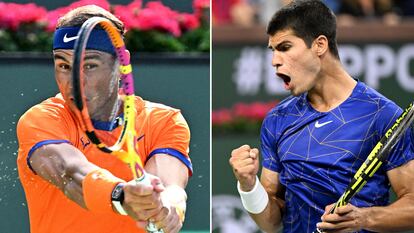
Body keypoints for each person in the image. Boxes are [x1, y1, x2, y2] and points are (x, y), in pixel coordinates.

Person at [229, 0, 414, 232]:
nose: (275, 61)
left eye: (285, 47)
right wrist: (248, 186)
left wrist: (364, 218)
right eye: (273, 50)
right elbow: (271, 222)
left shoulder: (382, 114)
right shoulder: (277, 120)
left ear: (319, 45)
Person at [16, 5, 191, 233]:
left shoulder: (163, 120)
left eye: (89, 65)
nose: (74, 82)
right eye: (63, 66)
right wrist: (120, 196)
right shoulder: (40, 120)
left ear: (120, 64)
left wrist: (168, 206)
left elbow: (171, 186)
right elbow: (71, 175)